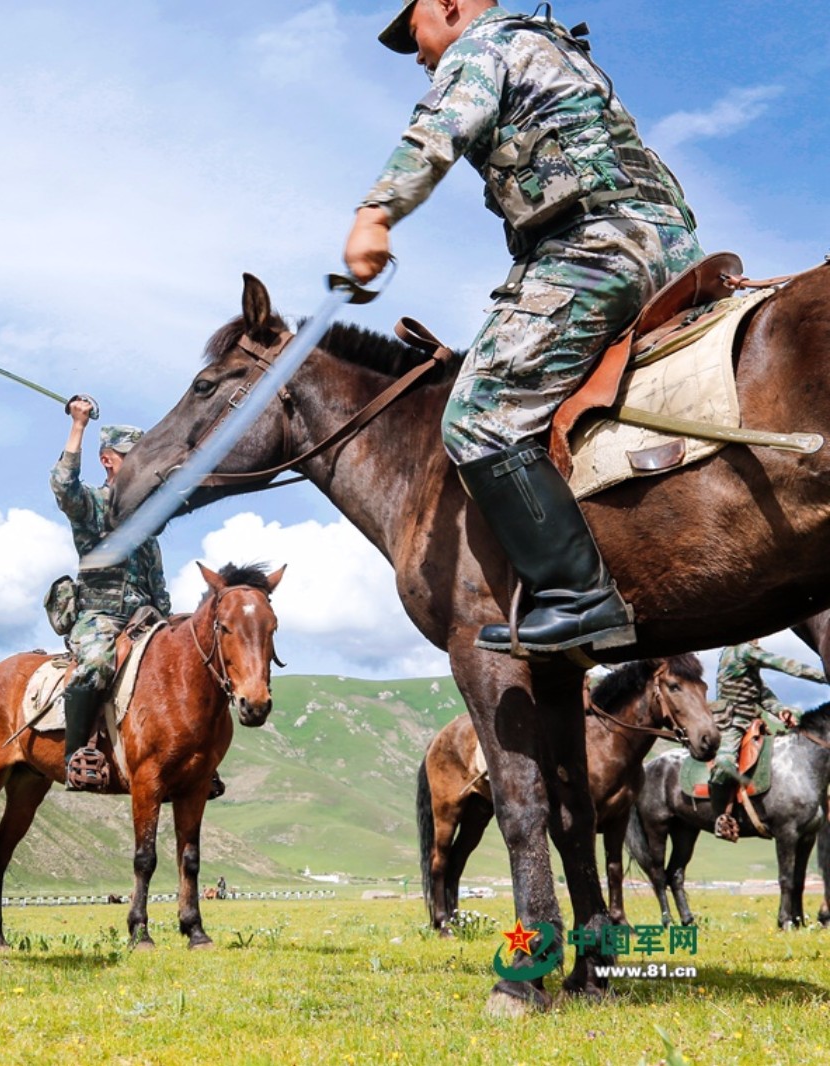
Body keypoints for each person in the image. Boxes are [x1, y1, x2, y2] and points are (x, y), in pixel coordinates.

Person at [344, 0, 701, 657]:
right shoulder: (552, 44)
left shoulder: (482, 47)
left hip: (595, 247)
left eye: (415, 33)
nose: (420, 54)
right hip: (669, 245)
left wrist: (376, 214)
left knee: (478, 416)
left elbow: (437, 129)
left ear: (448, 6)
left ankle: (579, 596)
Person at [51, 400, 171, 790]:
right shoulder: (92, 506)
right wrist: (78, 426)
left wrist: (167, 624)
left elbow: (158, 582)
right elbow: (63, 486)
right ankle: (74, 757)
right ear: (107, 461)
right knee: (97, 665)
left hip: (144, 620)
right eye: (129, 459)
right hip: (99, 616)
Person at [708, 640, 825, 841]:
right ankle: (721, 816)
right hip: (733, 723)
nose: (758, 640)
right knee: (724, 763)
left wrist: (783, 711)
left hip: (752, 721)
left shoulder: (747, 658)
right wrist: (825, 676)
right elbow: (786, 665)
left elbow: (763, 695)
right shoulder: (741, 650)